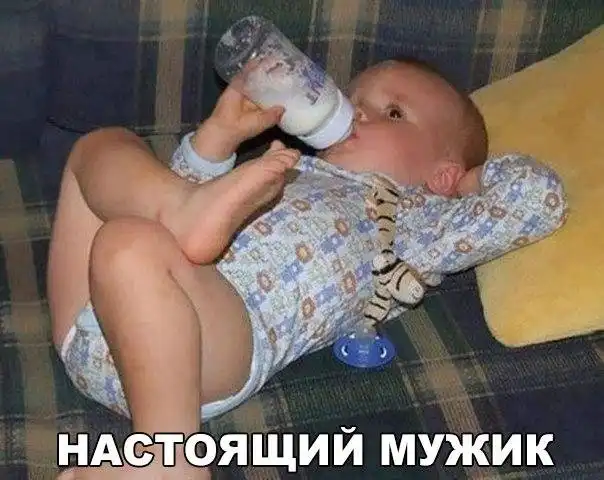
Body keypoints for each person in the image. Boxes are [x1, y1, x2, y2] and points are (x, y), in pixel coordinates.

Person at [50, 59, 566, 480]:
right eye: (354, 98)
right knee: (98, 147)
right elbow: (167, 200)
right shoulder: (288, 165)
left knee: (130, 244)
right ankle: (179, 208)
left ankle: (169, 457)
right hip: (92, 316)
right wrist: (216, 139)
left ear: (441, 173)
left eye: (391, 112)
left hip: (203, 343)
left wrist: (471, 182)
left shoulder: (417, 223)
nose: (357, 112)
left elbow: (538, 198)